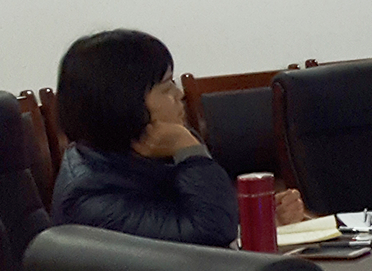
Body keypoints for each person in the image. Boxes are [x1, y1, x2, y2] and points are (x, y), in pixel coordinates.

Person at [51, 29, 306, 245]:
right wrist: (189, 150)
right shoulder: (89, 196)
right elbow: (209, 235)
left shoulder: (148, 150)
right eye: (166, 87)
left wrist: (264, 220)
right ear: (124, 103)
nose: (179, 94)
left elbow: (208, 217)